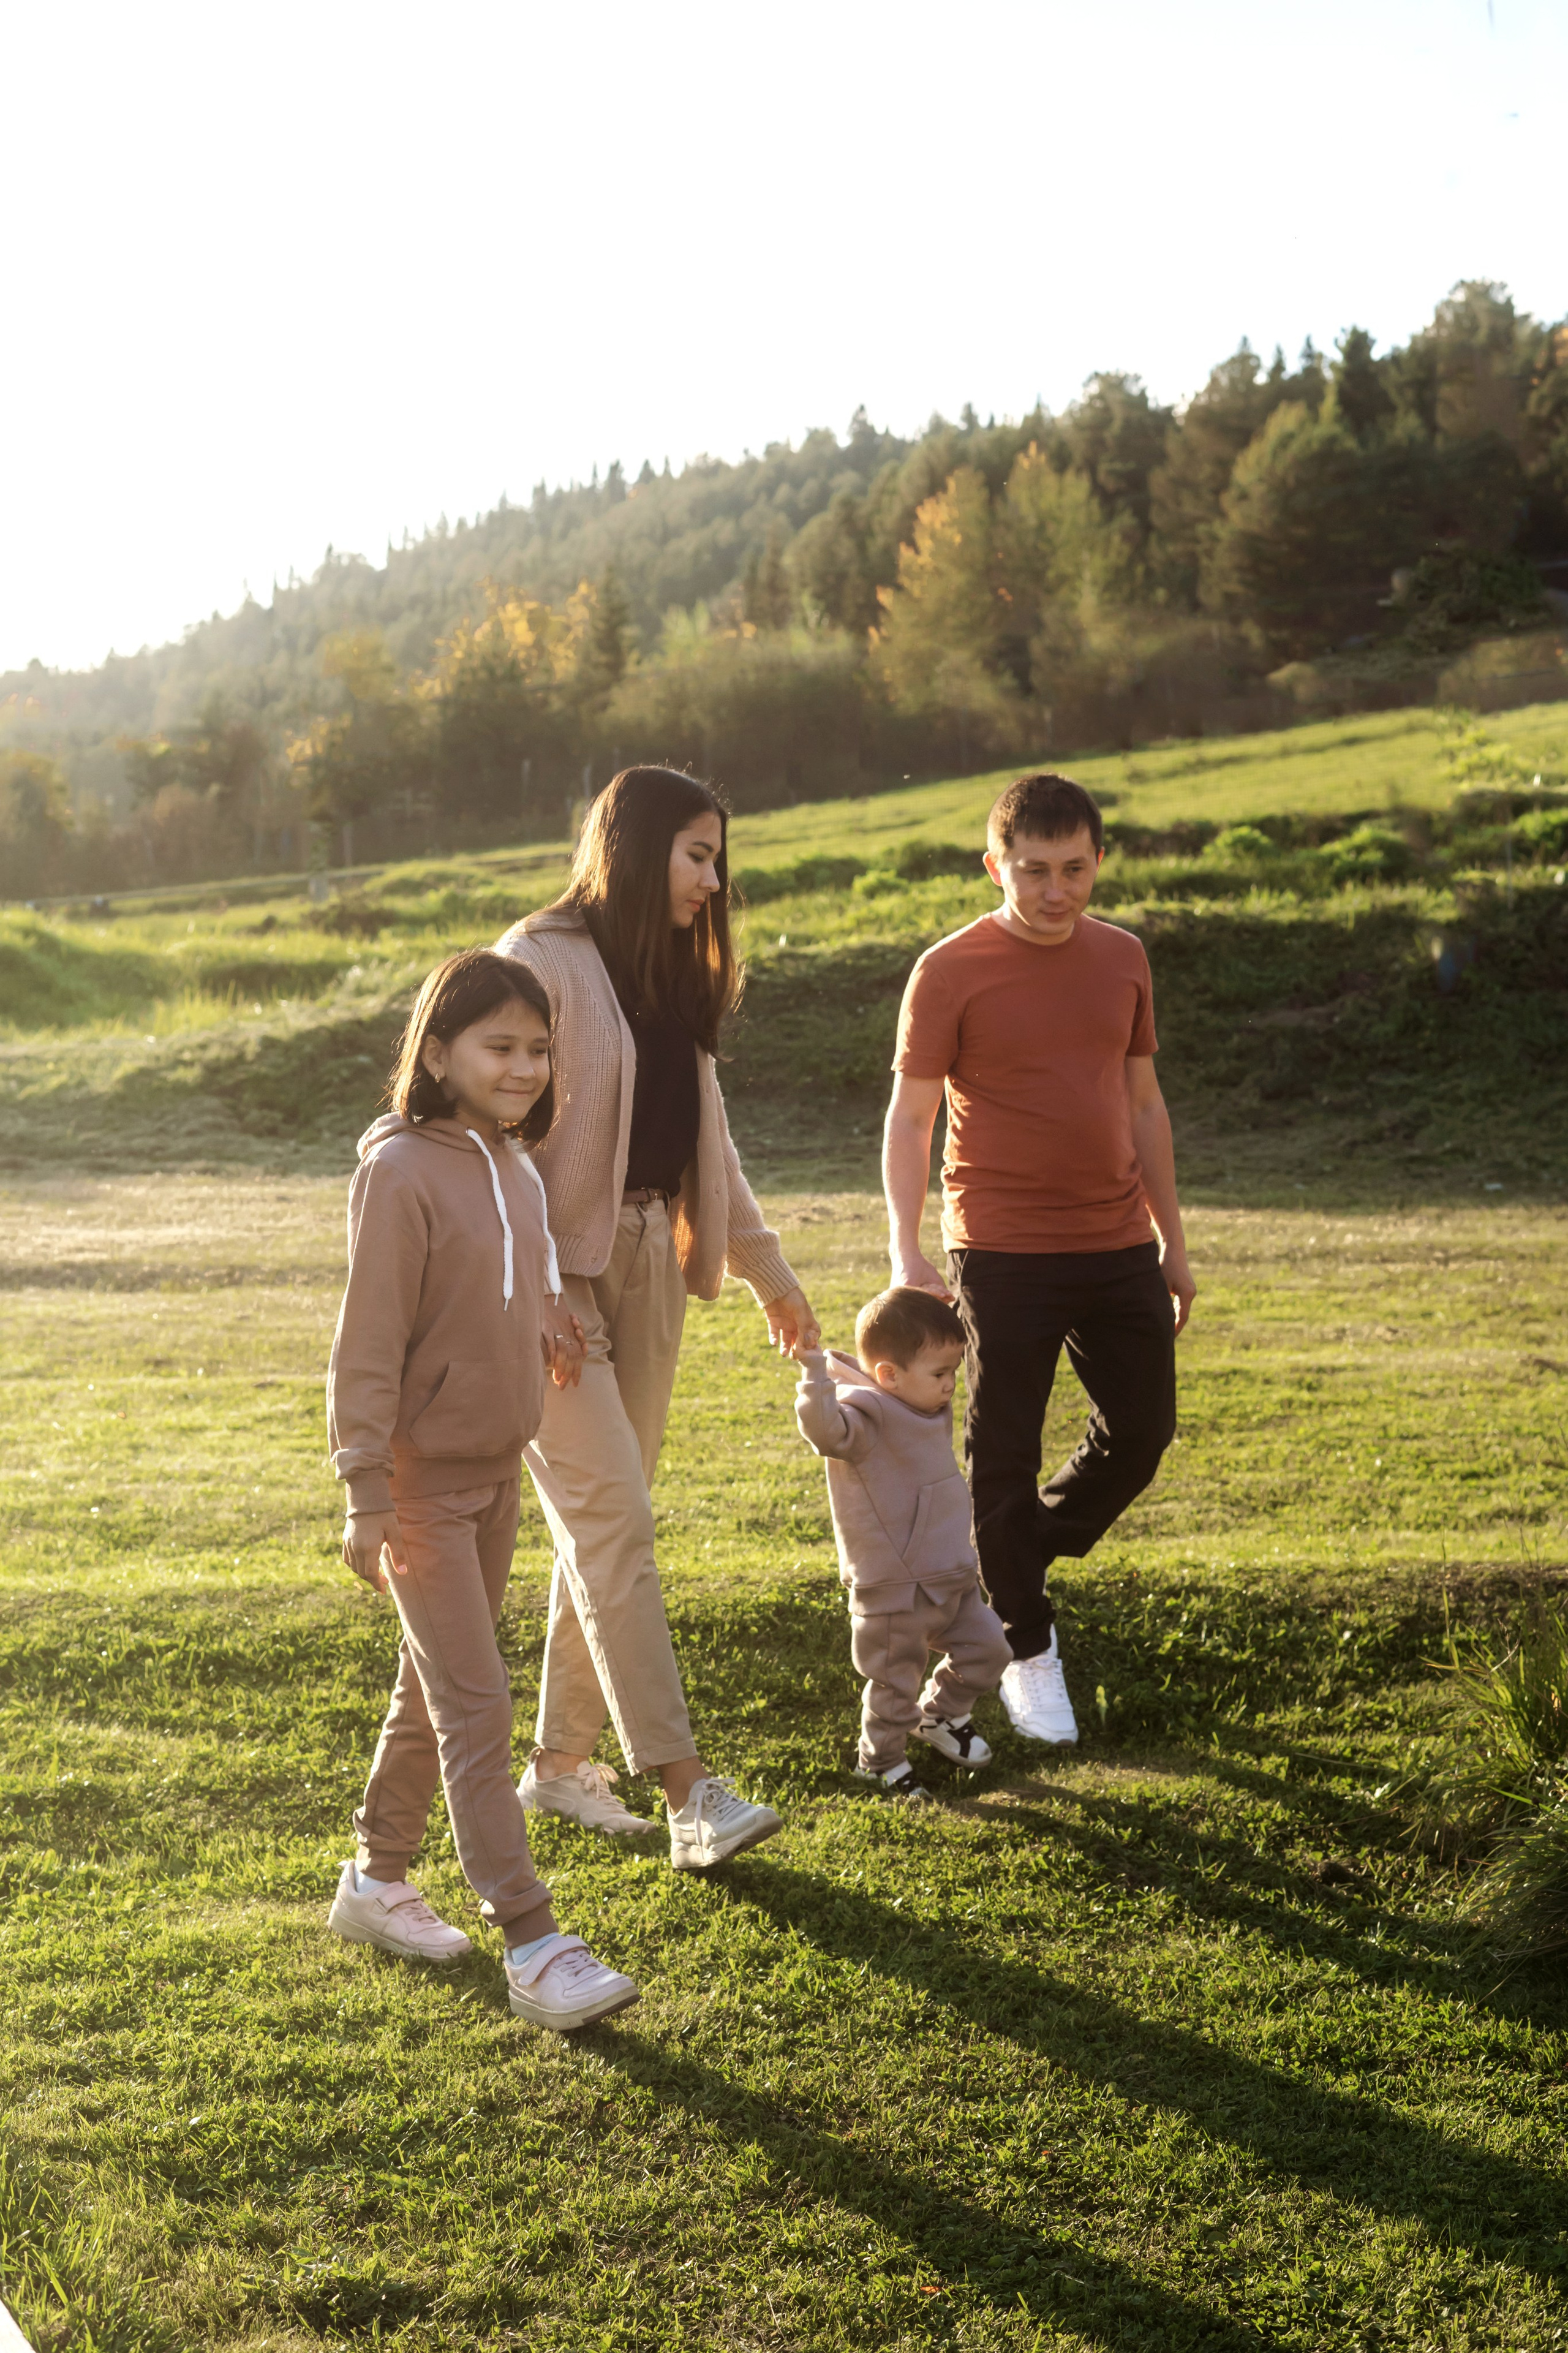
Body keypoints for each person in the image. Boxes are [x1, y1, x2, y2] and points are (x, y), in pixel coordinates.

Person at [495, 766, 821, 1868]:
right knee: (616, 1521)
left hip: (645, 1257)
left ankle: (555, 1767)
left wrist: (769, 1270)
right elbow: (491, 1140)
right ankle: (689, 1791)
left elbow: (704, 1139)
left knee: (607, 1521)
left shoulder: (672, 970)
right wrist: (536, 1280)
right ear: (634, 850)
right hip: (547, 1282)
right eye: (696, 854)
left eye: (718, 856)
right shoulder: (537, 960)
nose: (712, 879)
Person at [325, 948, 639, 2033]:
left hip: (497, 1469)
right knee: (477, 1702)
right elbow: (365, 1344)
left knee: (436, 1684)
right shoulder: (401, 1169)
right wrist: (364, 1489)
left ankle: (375, 1879)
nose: (523, 1068)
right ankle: (533, 1938)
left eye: (540, 1050)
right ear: (440, 1050)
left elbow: (525, 1256)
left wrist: (547, 1310)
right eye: (500, 1047)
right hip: (417, 1485)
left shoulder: (511, 1162)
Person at [883, 772, 1196, 1746]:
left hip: (1115, 1241)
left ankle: (1003, 1565)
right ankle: (1028, 1644)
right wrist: (903, 1244)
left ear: (1099, 859)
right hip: (1002, 1245)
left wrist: (1173, 1243)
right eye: (1032, 871)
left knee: (1142, 1434)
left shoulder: (1124, 959)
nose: (1055, 891)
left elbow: (1145, 1105)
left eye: (1073, 869)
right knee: (1003, 1452)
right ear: (995, 866)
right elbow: (912, 1114)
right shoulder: (949, 969)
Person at [794, 1285, 1012, 1800]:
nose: (951, 1386)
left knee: (990, 1649)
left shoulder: (923, 1404)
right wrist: (814, 1374)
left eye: (953, 1372)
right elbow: (825, 1431)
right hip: (894, 1587)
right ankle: (880, 1762)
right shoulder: (863, 1414)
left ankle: (939, 1714)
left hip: (951, 1573)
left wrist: (942, 1310)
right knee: (894, 1686)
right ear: (889, 1375)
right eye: (940, 1374)